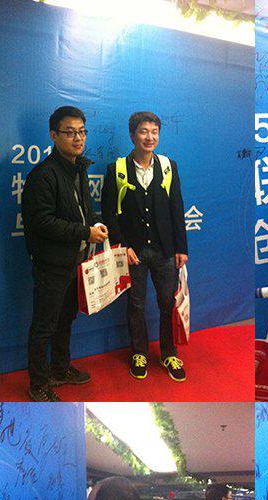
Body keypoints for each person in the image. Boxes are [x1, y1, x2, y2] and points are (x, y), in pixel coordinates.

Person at [22, 105, 108, 401]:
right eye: (70, 132)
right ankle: (38, 384)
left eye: (82, 132)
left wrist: (94, 224)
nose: (78, 138)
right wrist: (85, 232)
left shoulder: (78, 169)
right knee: (43, 327)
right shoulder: (43, 175)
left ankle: (60, 369)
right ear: (53, 135)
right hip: (52, 265)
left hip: (76, 262)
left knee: (65, 320)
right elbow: (42, 222)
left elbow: (82, 210)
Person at [102, 111, 189, 382]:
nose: (149, 137)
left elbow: (177, 208)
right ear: (132, 135)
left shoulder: (168, 166)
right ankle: (139, 352)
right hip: (134, 252)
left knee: (167, 303)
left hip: (165, 250)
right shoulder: (116, 169)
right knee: (136, 304)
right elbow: (109, 214)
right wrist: (122, 246)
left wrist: (181, 247)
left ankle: (168, 353)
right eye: (143, 131)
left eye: (154, 132)